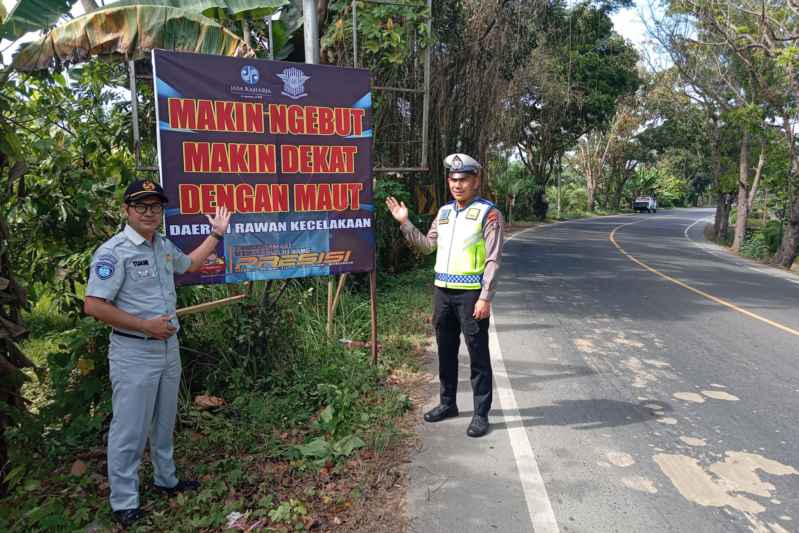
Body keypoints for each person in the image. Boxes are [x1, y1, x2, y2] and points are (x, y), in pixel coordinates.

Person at [84, 179, 231, 527]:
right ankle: (124, 502)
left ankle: (167, 480)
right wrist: (144, 325)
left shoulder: (162, 245)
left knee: (164, 423)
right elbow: (93, 305)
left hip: (169, 349)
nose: (150, 212)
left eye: (155, 206)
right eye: (142, 206)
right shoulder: (113, 252)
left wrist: (217, 235)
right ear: (126, 210)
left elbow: (190, 266)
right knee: (130, 430)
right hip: (134, 351)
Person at [386, 153, 504, 438]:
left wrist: (485, 296)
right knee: (446, 351)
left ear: (476, 181)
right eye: (453, 179)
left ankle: (480, 413)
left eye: (463, 179)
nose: (457, 185)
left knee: (477, 354)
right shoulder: (444, 213)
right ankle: (448, 404)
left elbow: (493, 259)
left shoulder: (489, 214)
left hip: (470, 295)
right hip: (442, 293)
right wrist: (405, 222)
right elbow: (427, 247)